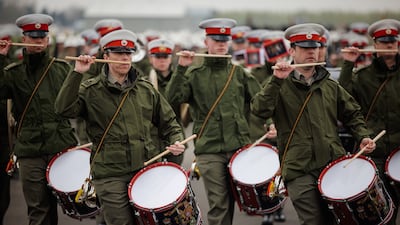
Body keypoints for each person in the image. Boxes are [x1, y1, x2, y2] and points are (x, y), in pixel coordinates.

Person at [54, 29, 186, 225]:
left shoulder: (145, 89)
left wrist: (176, 141)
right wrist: (76, 73)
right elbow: (63, 110)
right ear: (105, 56)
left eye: (128, 54)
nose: (125, 58)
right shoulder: (90, 90)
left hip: (144, 169)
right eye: (118, 53)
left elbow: (170, 123)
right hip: (110, 174)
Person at [251, 23, 376, 225]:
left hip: (331, 163)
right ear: (292, 50)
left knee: (336, 219)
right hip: (298, 167)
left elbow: (352, 113)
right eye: (305, 48)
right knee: (313, 220)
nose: (311, 52)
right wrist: (276, 82)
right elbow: (259, 110)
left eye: (315, 48)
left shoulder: (329, 85)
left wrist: (363, 136)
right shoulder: (278, 82)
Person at [165, 18, 262, 225]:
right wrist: (181, 68)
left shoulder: (238, 74)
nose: (221, 44)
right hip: (209, 149)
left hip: (238, 147)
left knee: (235, 200)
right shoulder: (194, 74)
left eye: (224, 40)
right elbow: (172, 99)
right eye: (216, 40)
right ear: (206, 42)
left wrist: (270, 122)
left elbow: (260, 102)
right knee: (219, 203)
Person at [0, 13, 78, 225]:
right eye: (33, 37)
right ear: (23, 39)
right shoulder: (12, 72)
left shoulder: (62, 69)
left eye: (41, 37)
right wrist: (0, 58)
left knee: (66, 206)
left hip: (60, 147)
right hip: (29, 151)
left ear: (48, 39)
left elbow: (74, 107)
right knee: (38, 209)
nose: (38, 42)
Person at [338, 18, 400, 225]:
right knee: (382, 212)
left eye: (392, 41)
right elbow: (342, 100)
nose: (389, 45)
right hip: (377, 152)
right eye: (384, 42)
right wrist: (348, 64)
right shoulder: (363, 76)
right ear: (375, 45)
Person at [146, 38, 183, 164]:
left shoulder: (180, 79)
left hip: (174, 138)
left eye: (165, 56)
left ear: (171, 58)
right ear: (151, 59)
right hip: (152, 139)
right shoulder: (145, 81)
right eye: (158, 57)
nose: (162, 60)